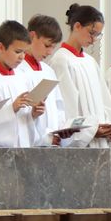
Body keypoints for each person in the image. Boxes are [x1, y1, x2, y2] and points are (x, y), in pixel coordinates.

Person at [49, 3, 111, 148]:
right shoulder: (61, 60)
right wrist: (90, 131)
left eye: (97, 35)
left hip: (100, 140)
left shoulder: (90, 62)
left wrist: (110, 126)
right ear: (77, 26)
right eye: (92, 33)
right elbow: (66, 106)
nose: (94, 39)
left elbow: (104, 100)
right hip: (80, 143)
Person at [21, 14, 72, 146]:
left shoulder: (48, 71)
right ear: (32, 36)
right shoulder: (18, 70)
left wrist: (61, 131)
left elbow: (58, 107)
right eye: (47, 45)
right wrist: (43, 138)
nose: (50, 52)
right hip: (32, 145)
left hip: (53, 143)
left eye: (53, 47)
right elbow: (20, 114)